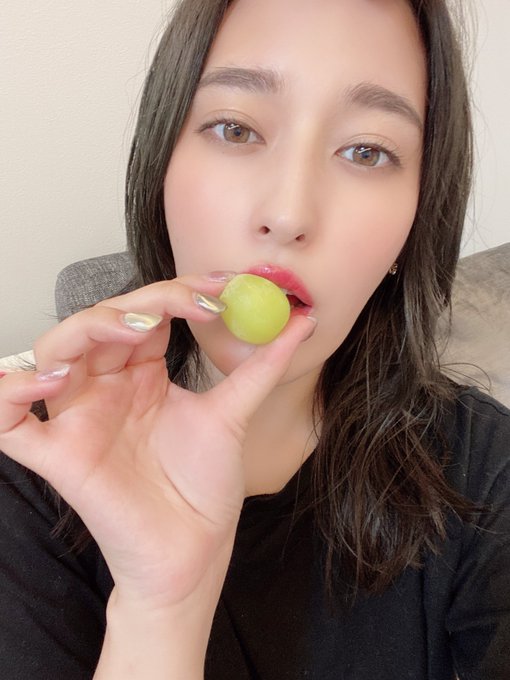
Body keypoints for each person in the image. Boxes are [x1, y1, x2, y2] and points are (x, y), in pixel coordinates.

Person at [0, 0, 509, 677]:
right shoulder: (29, 472)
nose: (288, 213)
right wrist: (162, 612)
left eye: (366, 151)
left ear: (414, 223)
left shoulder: (485, 469)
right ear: (161, 165)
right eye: (235, 128)